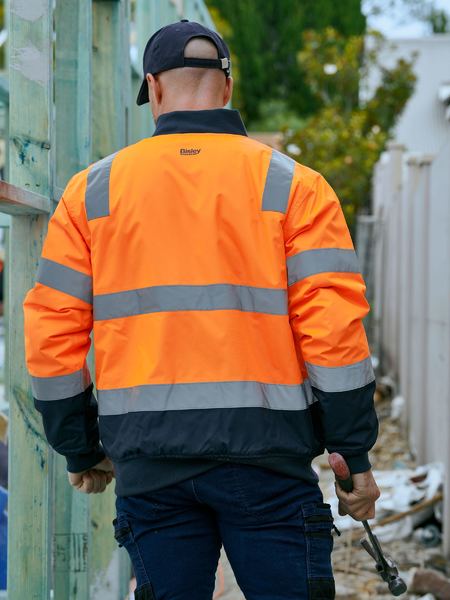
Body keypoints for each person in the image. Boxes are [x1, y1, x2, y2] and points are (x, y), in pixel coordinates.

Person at [23, 19, 380, 600]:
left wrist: (81, 447)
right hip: (270, 460)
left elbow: (52, 332)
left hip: (148, 464)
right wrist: (354, 456)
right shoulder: (296, 187)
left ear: (154, 89)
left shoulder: (92, 192)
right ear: (229, 88)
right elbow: (334, 335)